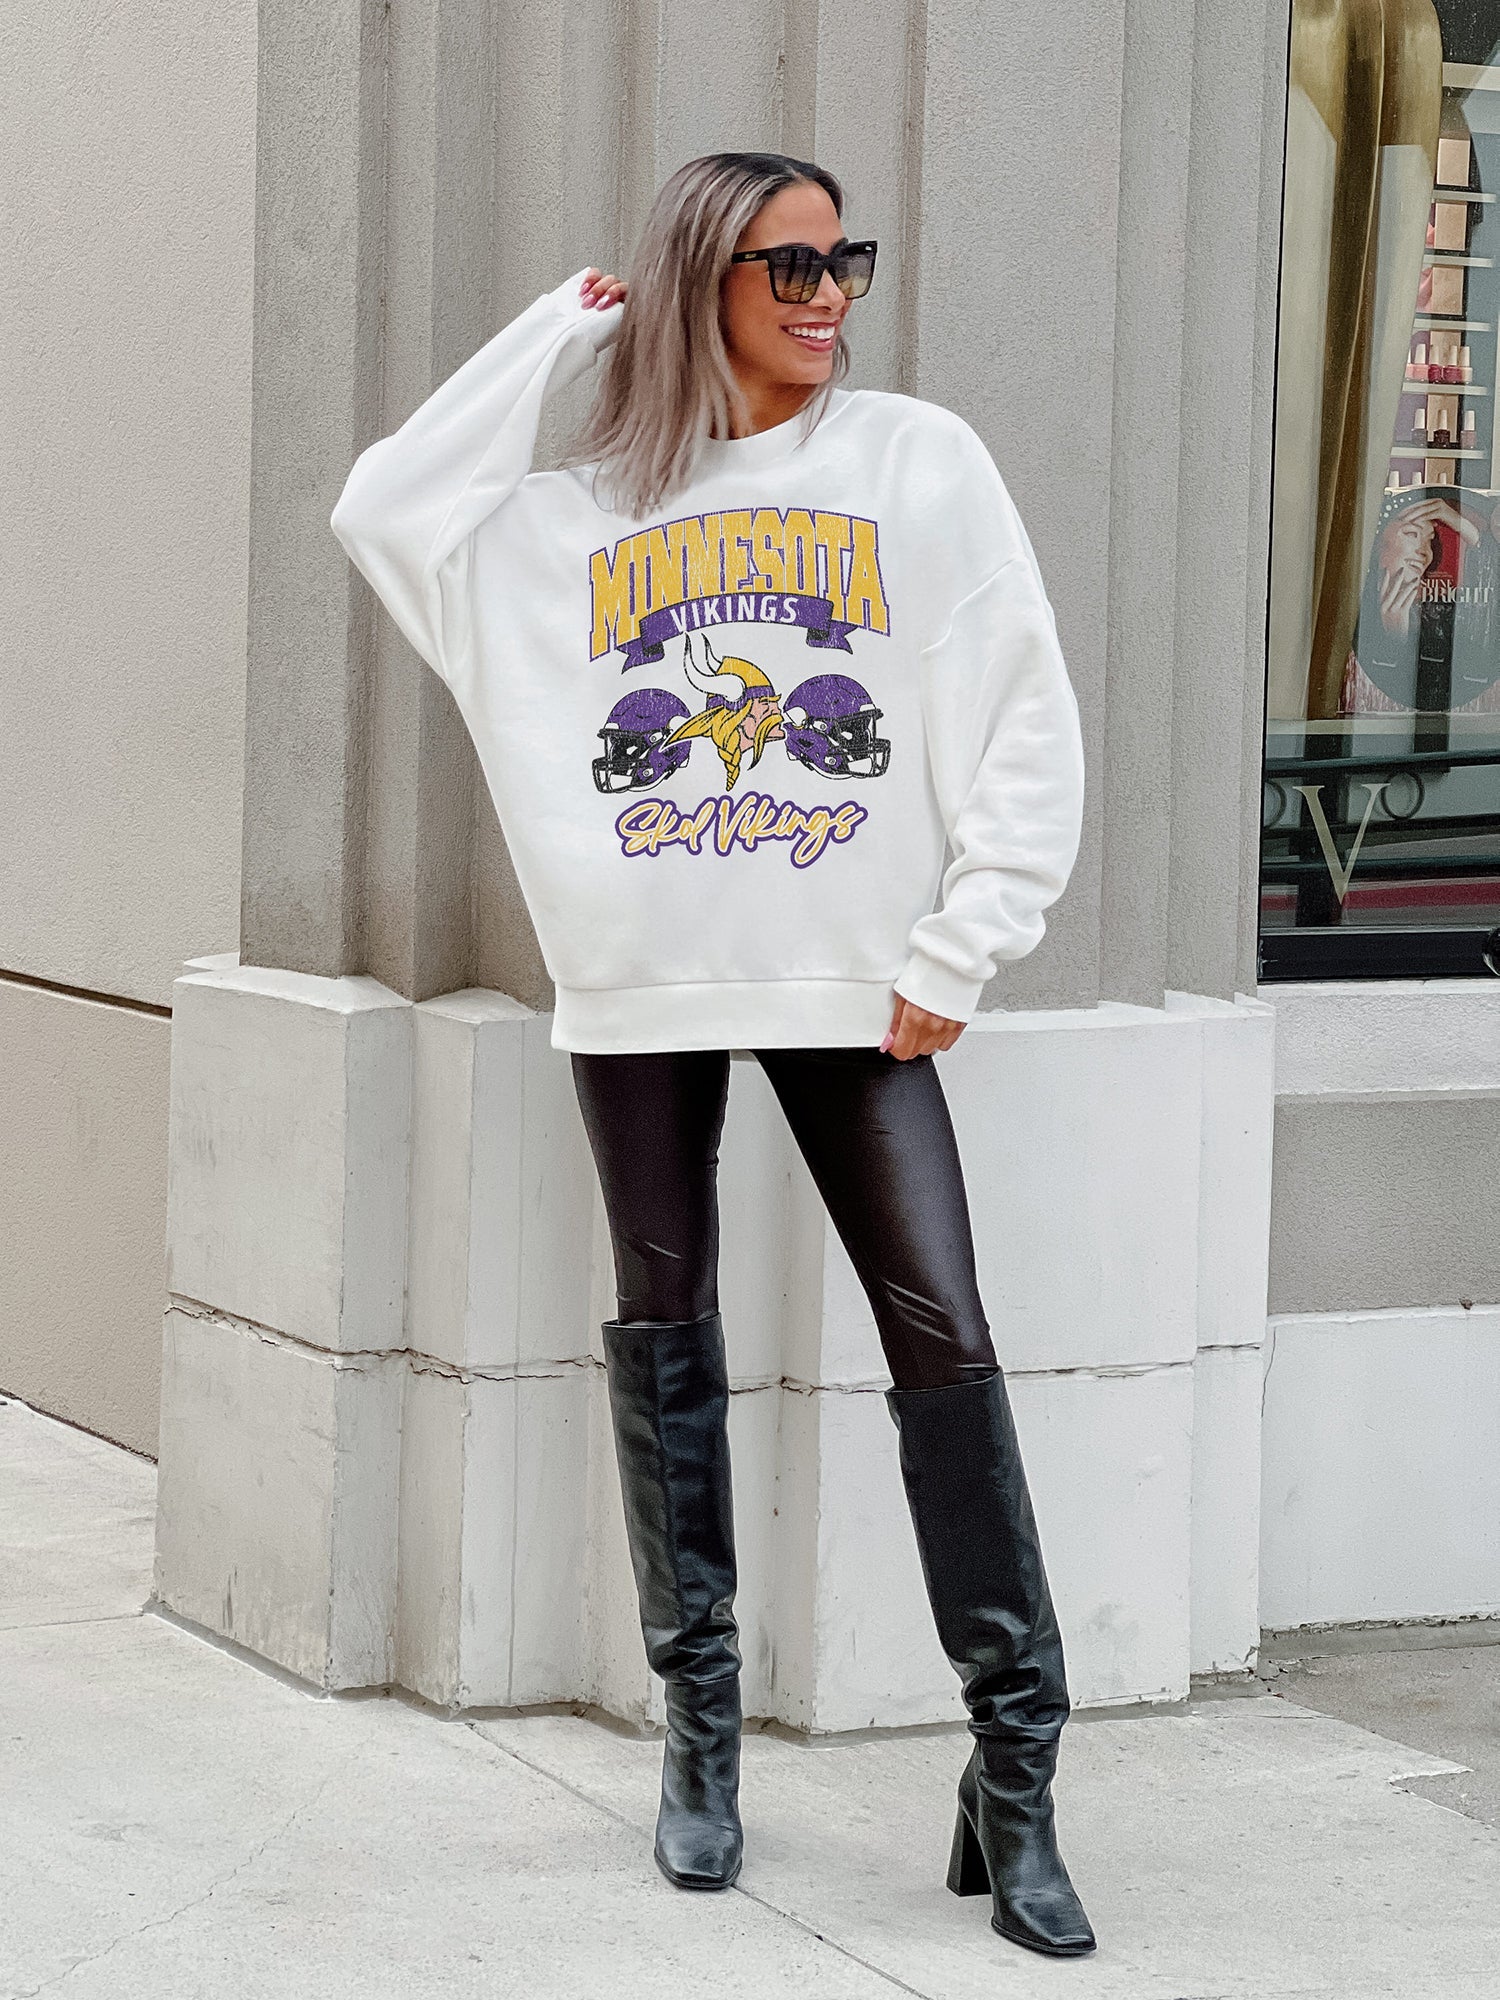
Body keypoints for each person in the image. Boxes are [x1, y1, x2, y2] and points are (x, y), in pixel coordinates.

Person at [330, 150, 1092, 1960]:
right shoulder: (571, 520)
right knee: (664, 1331)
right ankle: (702, 1736)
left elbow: (1019, 699)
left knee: (945, 1338)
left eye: (845, 261)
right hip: (644, 987)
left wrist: (967, 937)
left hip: (862, 983)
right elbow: (383, 506)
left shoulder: (916, 462)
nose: (829, 297)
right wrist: (551, 335)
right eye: (789, 266)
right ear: (702, 285)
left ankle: (1018, 1770)